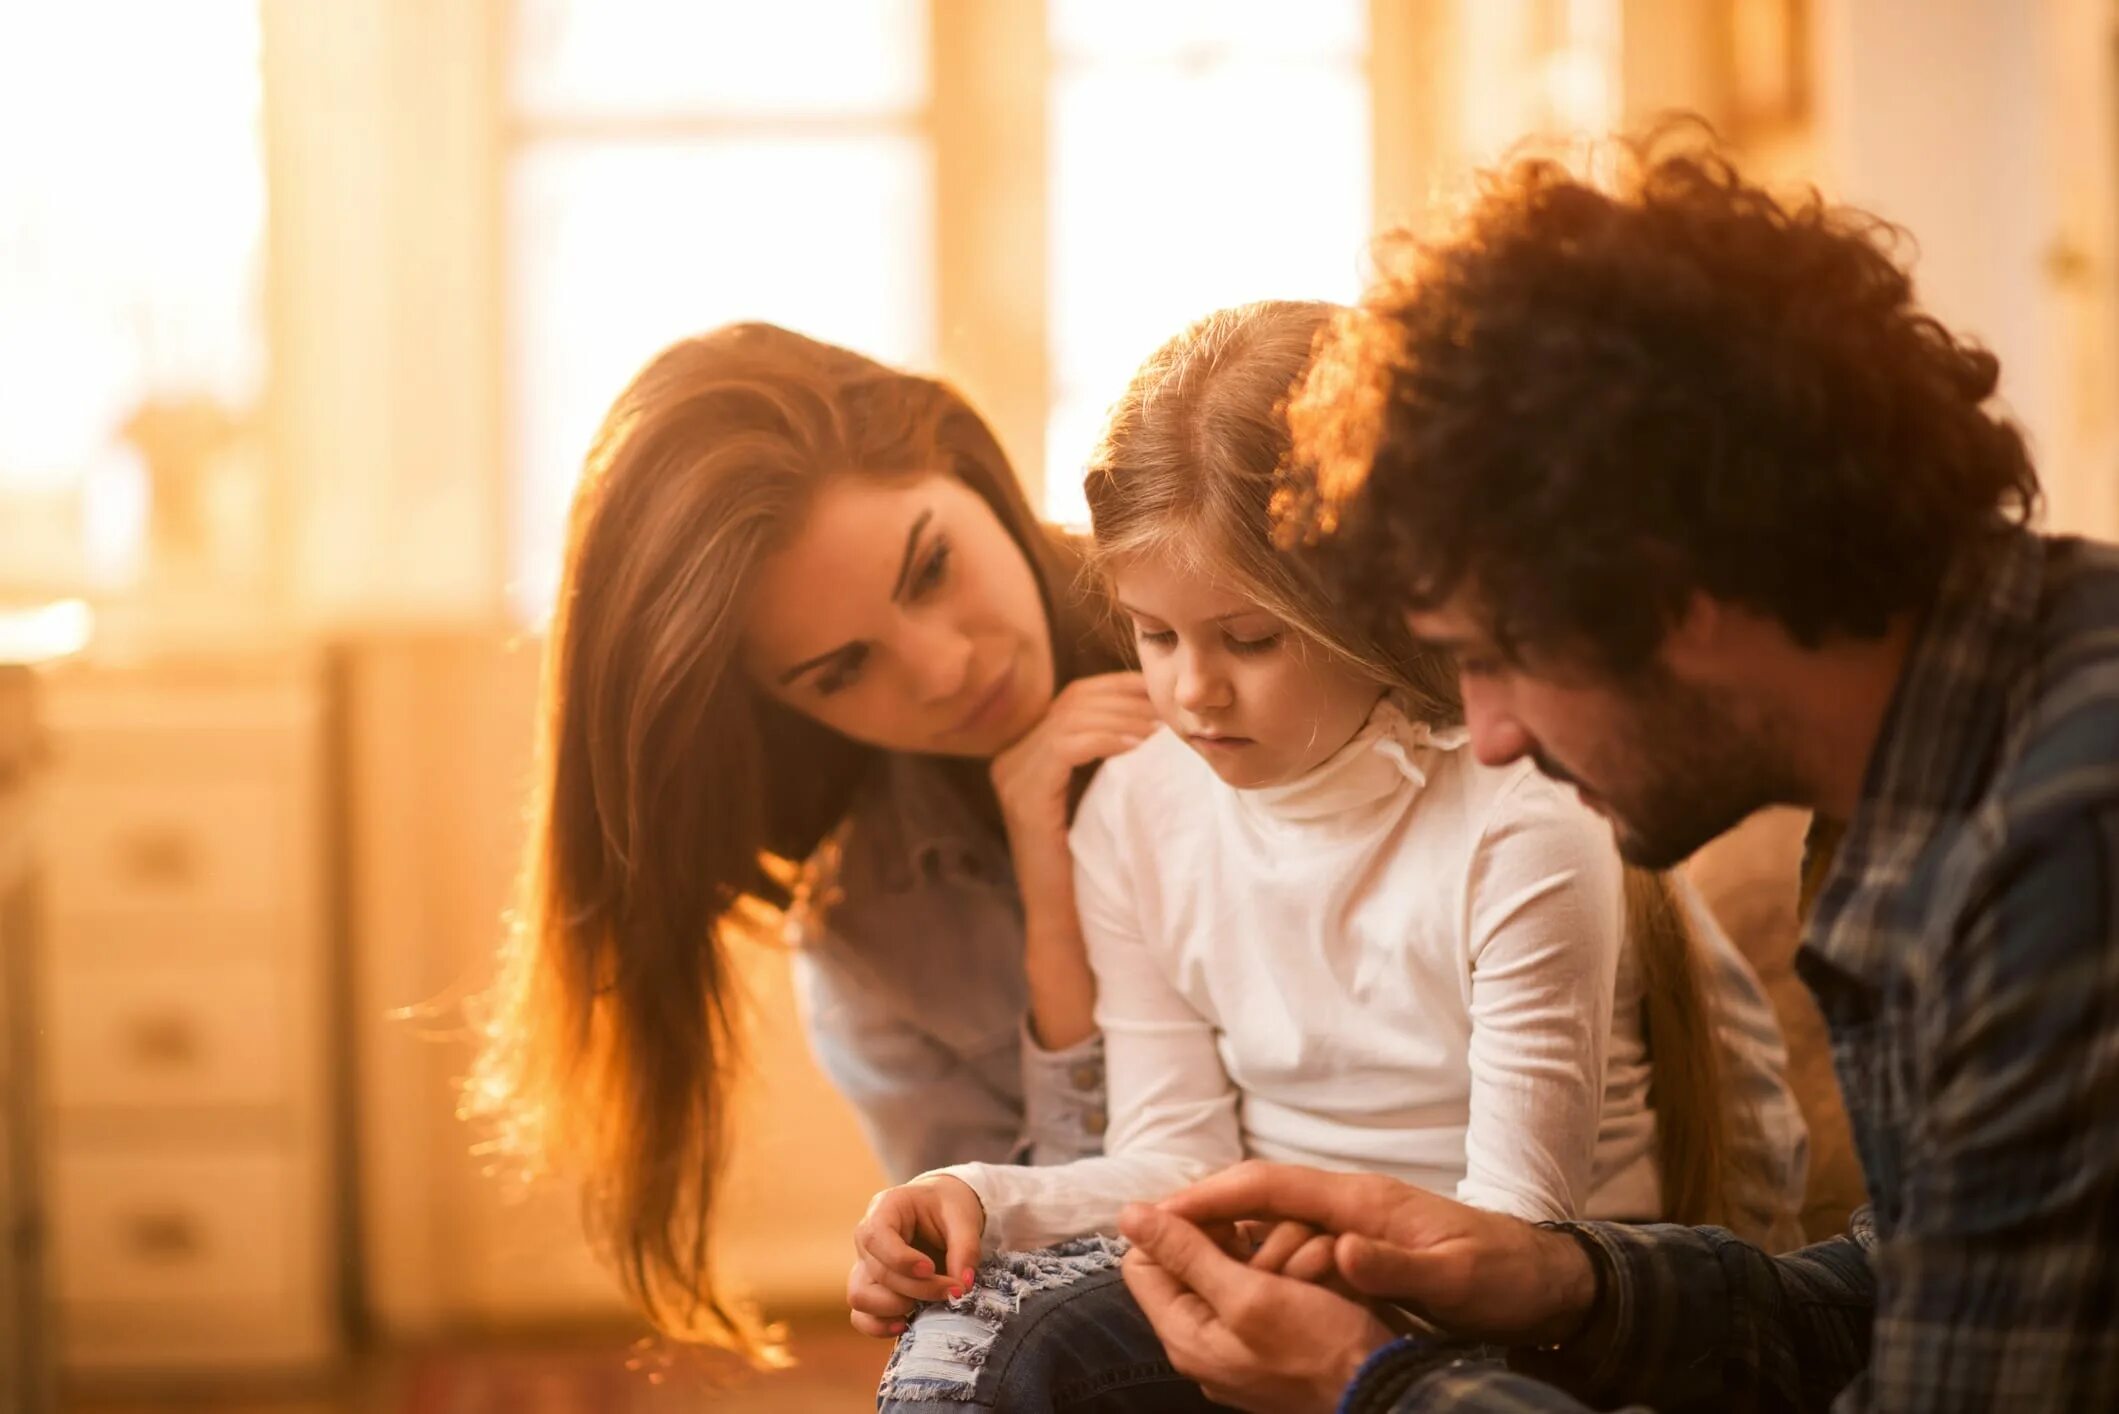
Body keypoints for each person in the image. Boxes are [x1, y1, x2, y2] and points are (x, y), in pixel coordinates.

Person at [1115, 135, 2119, 1411]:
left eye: (1494, 656)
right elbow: (1909, 1290)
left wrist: (1372, 1383)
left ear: (1668, 593)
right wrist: (1562, 1278)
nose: (1486, 735)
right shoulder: (1943, 767)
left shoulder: (2057, 857)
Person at [859, 302, 1807, 1411]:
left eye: (1250, 639)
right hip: (1281, 1273)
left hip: (1518, 1308)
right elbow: (1178, 1166)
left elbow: (1517, 1241)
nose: (1192, 690)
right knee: (973, 1340)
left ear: (1379, 604)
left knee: (1036, 1356)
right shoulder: (1133, 806)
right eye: (1154, 634)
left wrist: (1310, 1318)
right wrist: (973, 1192)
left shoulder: (1521, 808)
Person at [463, 323, 1157, 1354]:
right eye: (841, 670)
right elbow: (1039, 1283)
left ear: (963, 460)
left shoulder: (1249, 622)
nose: (941, 668)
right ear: (782, 711)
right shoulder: (870, 938)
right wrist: (1046, 886)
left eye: (930, 568)